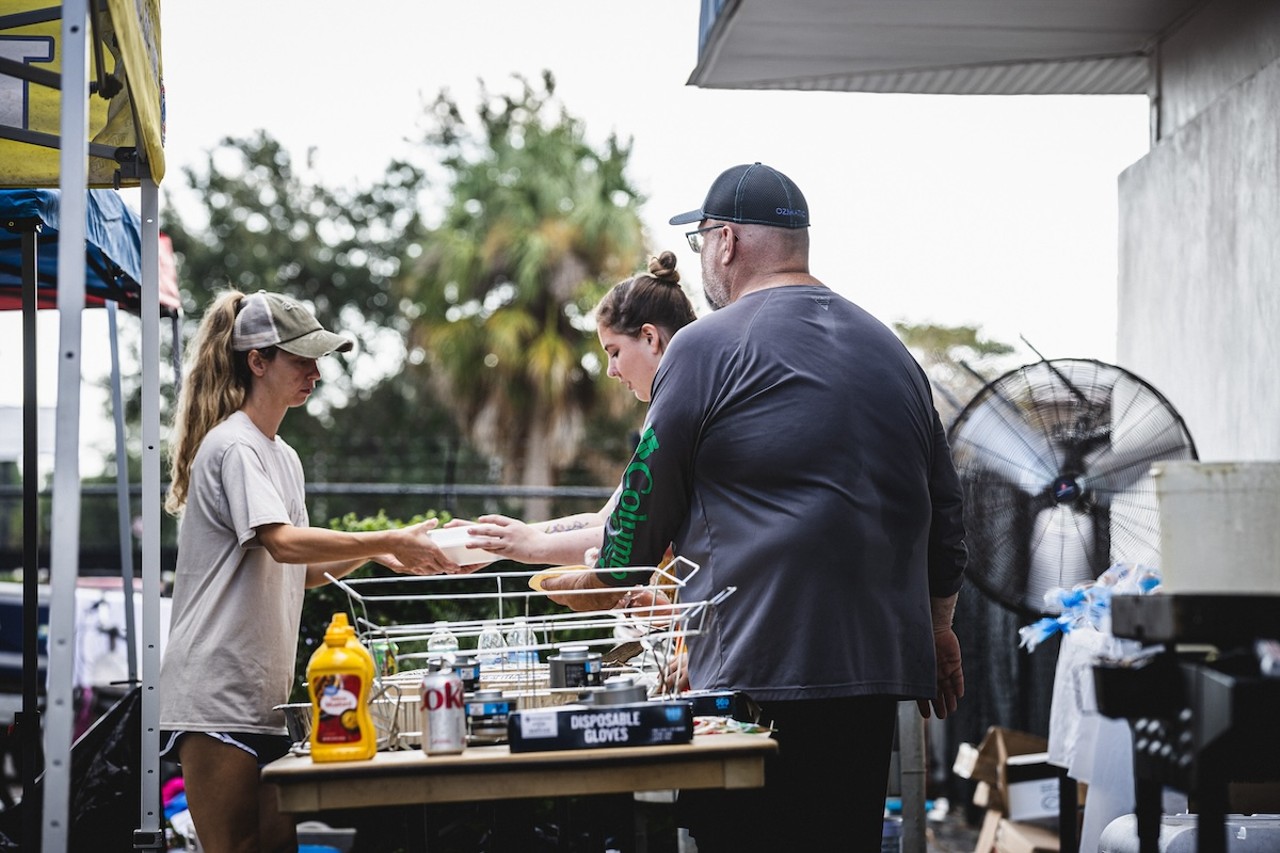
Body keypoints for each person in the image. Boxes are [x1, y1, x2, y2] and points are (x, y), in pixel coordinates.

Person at [542, 163, 968, 852]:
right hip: (871, 682)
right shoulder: (893, 351)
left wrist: (602, 577)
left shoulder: (704, 347)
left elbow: (642, 508)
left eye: (703, 239)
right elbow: (947, 516)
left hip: (755, 678)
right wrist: (939, 627)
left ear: (727, 242)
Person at [158, 289, 460, 853]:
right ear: (258, 361)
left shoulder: (281, 454)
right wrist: (383, 537)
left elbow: (304, 569)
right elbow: (282, 543)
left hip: (266, 697)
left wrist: (377, 554)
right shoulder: (232, 447)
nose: (316, 372)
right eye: (302, 359)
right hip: (213, 692)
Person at [460, 250, 698, 569]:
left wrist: (532, 547)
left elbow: (629, 534)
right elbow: (609, 521)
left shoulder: (682, 412)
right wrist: (498, 542)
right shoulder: (686, 400)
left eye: (614, 352)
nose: (611, 371)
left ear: (650, 337)